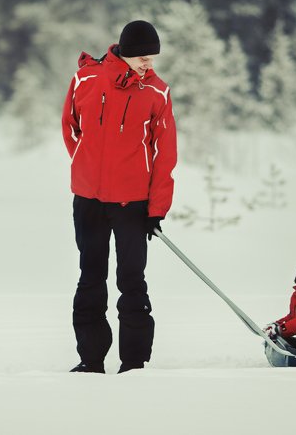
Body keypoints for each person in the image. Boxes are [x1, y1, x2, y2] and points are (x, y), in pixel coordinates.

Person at [61, 20, 178, 374]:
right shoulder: (86, 79)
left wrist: (156, 209)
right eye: (143, 57)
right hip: (89, 200)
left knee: (132, 280)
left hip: (133, 205)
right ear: (125, 53)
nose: (149, 65)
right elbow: (70, 126)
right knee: (90, 277)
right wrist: (86, 165)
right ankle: (91, 360)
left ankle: (134, 363)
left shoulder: (157, 92)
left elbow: (165, 154)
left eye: (153, 58)